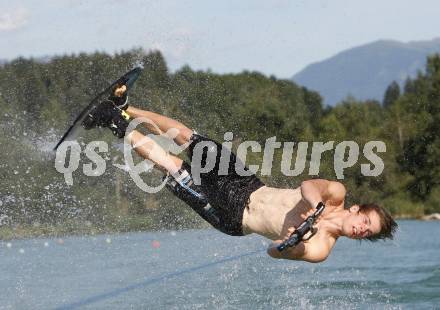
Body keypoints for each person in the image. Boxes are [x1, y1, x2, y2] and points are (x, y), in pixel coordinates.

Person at [83, 85, 398, 263]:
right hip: (247, 184)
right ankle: (127, 107)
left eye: (366, 233)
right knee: (192, 140)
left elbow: (273, 251)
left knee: (172, 166)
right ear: (358, 210)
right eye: (365, 222)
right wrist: (315, 208)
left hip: (233, 217)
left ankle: (115, 122)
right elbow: (308, 186)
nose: (361, 229)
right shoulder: (335, 196)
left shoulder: (321, 248)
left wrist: (289, 243)